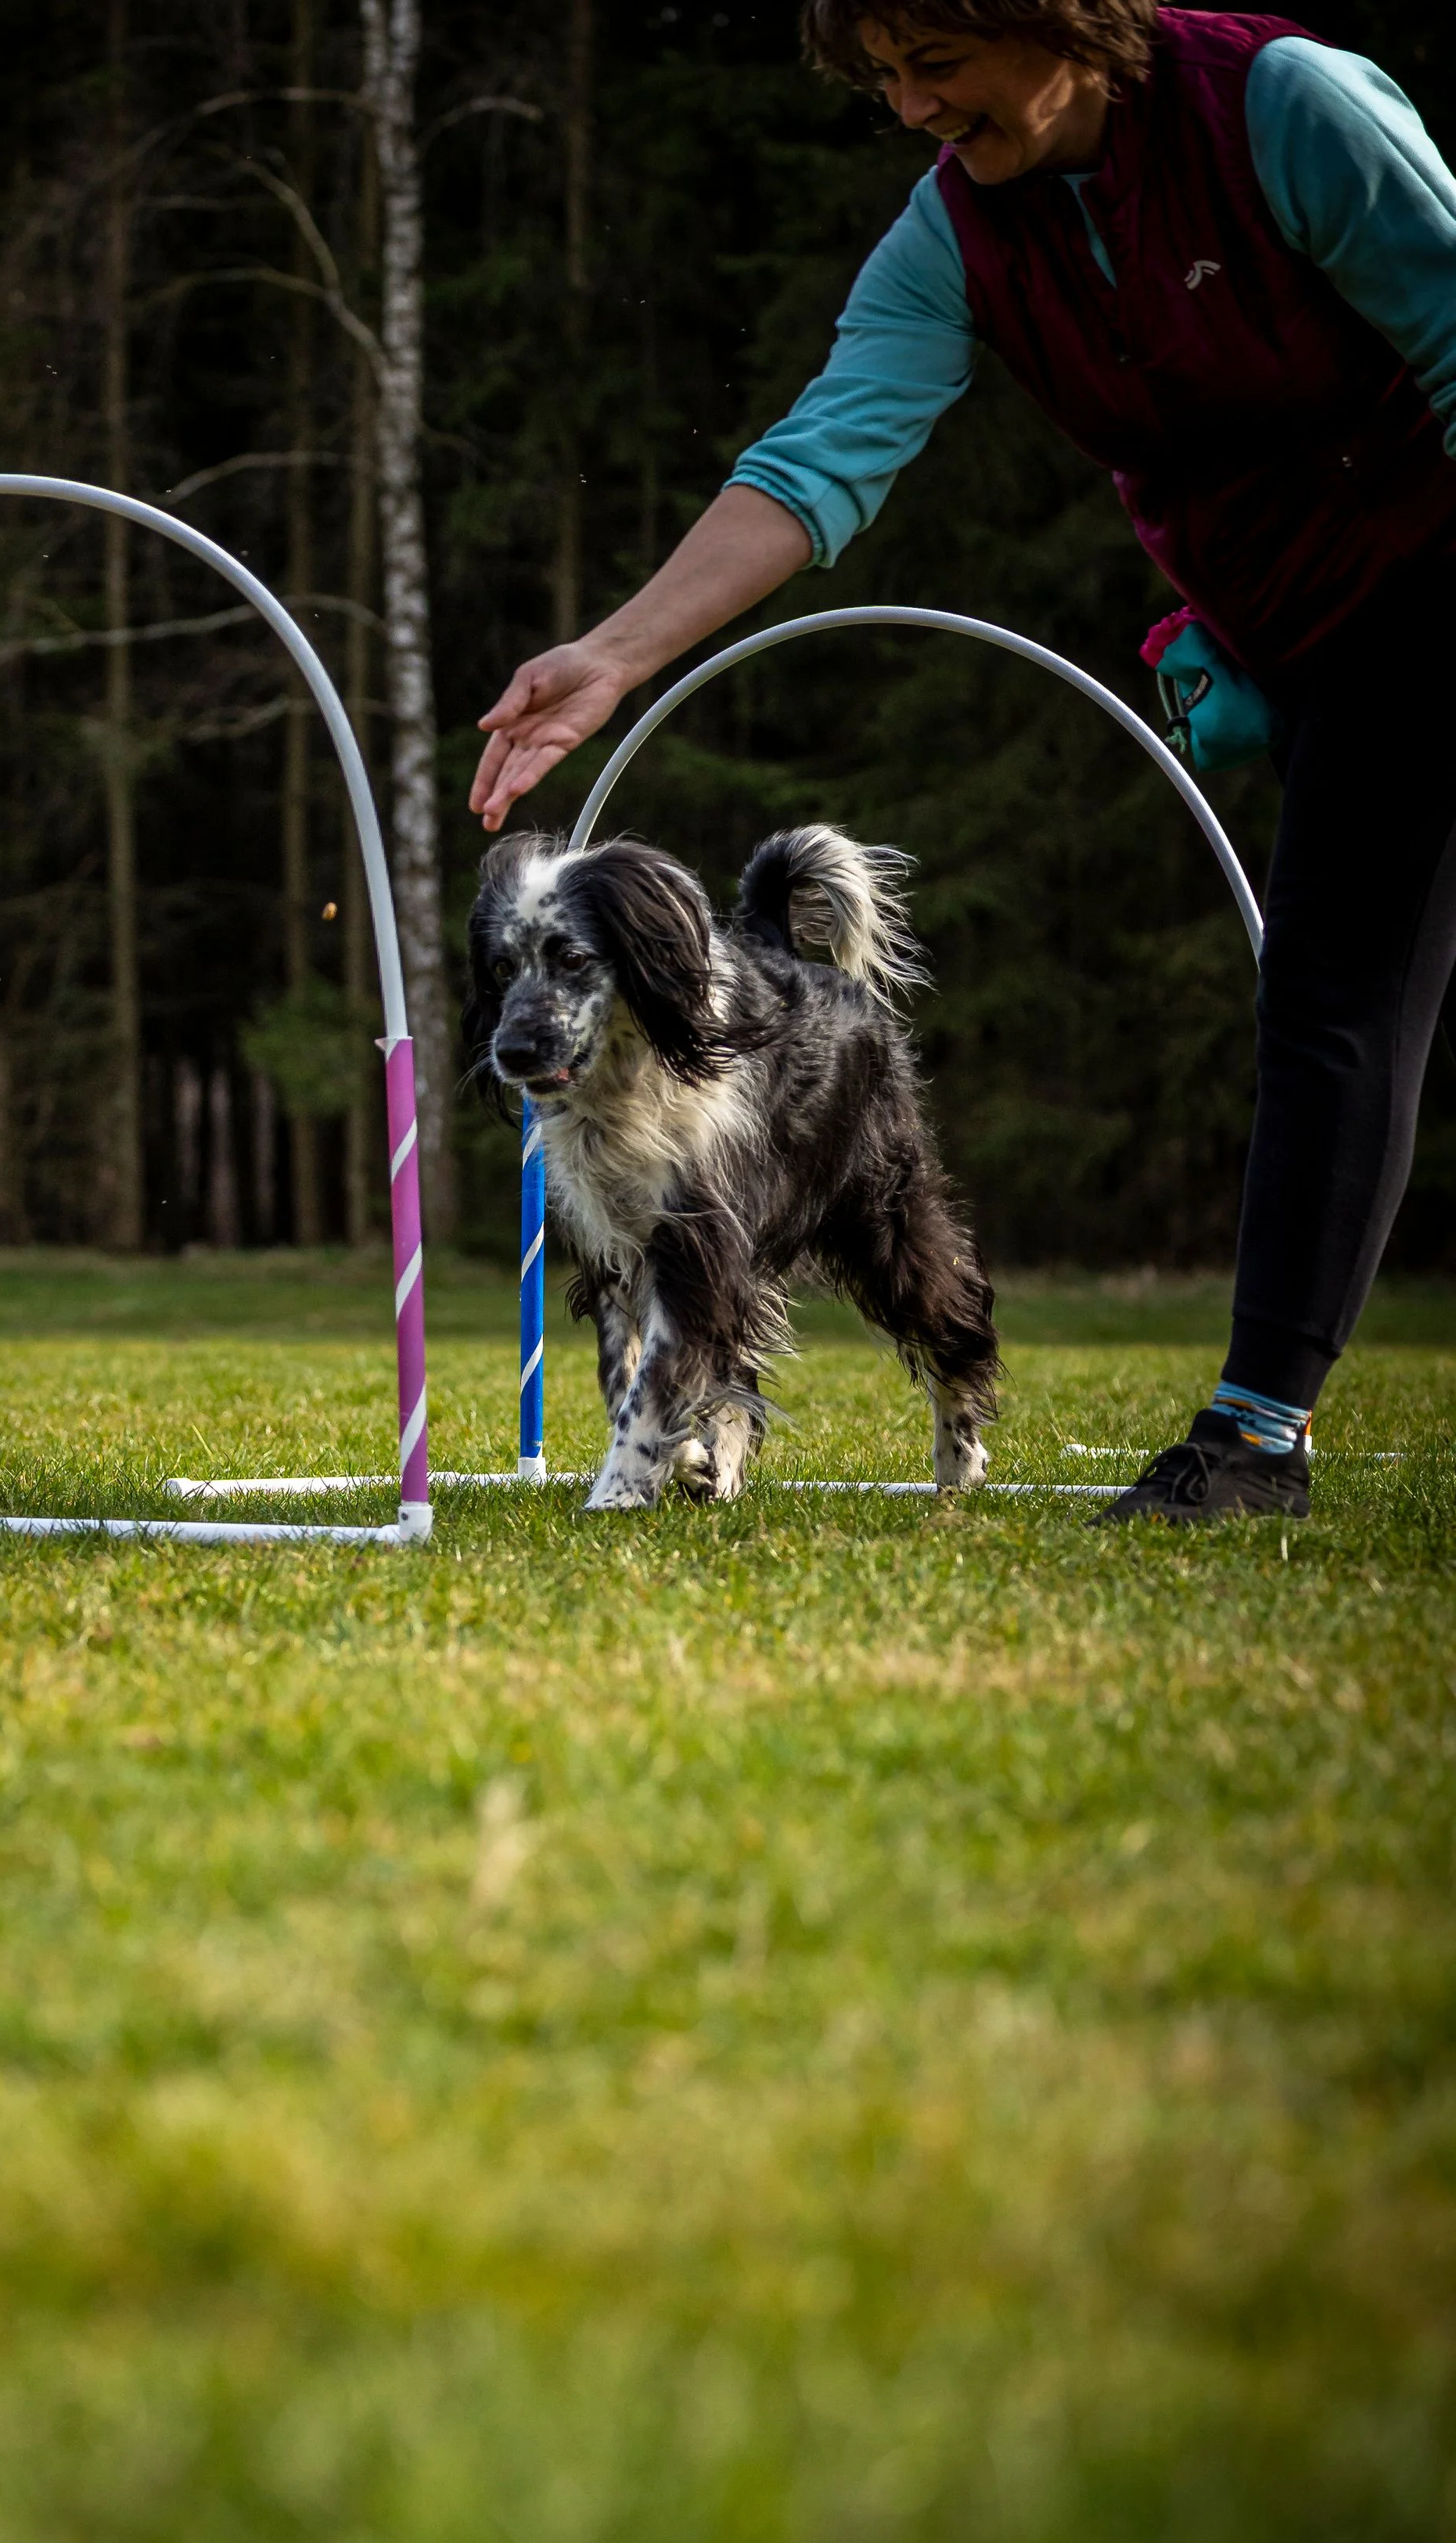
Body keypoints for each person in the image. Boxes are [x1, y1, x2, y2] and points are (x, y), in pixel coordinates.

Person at [469, 3, 1456, 1524]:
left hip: (1427, 588)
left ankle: (1257, 1439)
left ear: (1062, 14)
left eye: (940, 61)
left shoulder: (1285, 109)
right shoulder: (956, 236)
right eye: (884, 79)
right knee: (1335, 992)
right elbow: (820, 456)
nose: (917, 106)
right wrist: (617, 651)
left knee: (1335, 991)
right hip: (1300, 632)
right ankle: (1263, 1436)